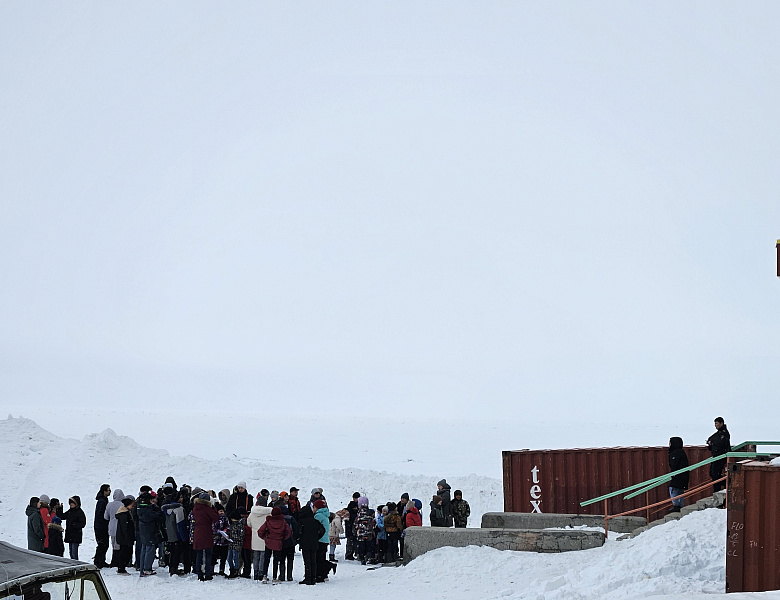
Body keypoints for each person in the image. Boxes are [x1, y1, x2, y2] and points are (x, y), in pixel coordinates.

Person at [258, 506, 292, 582]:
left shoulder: (268, 521)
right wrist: (283, 538)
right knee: (276, 561)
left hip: (269, 542)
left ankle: (264, 575)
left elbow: (260, 531)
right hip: (278, 542)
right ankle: (274, 577)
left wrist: (265, 537)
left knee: (266, 559)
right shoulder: (283, 521)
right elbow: (289, 531)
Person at [192, 492, 219, 581]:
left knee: (198, 555)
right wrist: (214, 508)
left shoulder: (195, 508)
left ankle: (199, 574)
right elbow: (215, 518)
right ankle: (207, 573)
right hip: (206, 532)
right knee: (208, 554)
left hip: (197, 532)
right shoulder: (207, 508)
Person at [137, 492, 164, 576]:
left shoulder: (140, 508)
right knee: (150, 550)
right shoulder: (148, 510)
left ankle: (142, 568)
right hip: (150, 532)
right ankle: (147, 569)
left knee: (144, 549)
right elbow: (158, 515)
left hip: (143, 532)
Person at [297, 505, 325, 585]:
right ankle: (313, 578)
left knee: (307, 561)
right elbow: (322, 530)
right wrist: (317, 537)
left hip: (305, 543)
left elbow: (297, 532)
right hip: (314, 543)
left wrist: (299, 539)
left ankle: (308, 578)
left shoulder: (301, 521)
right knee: (313, 561)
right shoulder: (315, 521)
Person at [162, 491, 188, 576]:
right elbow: (180, 524)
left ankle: (171, 568)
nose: (182, 498)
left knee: (172, 552)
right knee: (177, 552)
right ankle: (174, 569)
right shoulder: (179, 509)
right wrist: (184, 537)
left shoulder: (167, 509)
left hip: (170, 534)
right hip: (177, 534)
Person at [247, 501, 272, 581]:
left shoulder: (252, 513)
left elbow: (249, 523)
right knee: (263, 556)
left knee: (255, 556)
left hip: (255, 536)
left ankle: (255, 572)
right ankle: (261, 573)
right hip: (264, 536)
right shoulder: (268, 513)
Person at [313, 500, 336, 582]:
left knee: (318, 559)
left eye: (314, 507)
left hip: (320, 539)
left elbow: (315, 527)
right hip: (325, 539)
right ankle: (324, 573)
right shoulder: (325, 514)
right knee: (321, 557)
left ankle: (321, 573)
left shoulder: (318, 515)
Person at [707, 417, 731, 492]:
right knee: (713, 474)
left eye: (717, 423)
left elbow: (721, 443)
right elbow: (711, 439)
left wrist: (712, 443)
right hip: (716, 456)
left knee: (715, 474)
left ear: (721, 423)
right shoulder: (718, 433)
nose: (715, 425)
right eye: (715, 424)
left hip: (720, 456)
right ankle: (722, 486)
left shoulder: (724, 433)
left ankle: (727, 484)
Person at [667, 437, 690, 512]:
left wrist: (672, 474)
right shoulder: (681, 452)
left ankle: (677, 506)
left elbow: (674, 465)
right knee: (679, 491)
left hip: (678, 476)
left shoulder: (676, 453)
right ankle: (680, 506)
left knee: (673, 489)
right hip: (683, 476)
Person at [115, 497, 135, 575]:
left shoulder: (125, 513)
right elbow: (125, 528)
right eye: (131, 505)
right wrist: (128, 539)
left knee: (125, 553)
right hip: (124, 538)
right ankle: (121, 569)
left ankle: (121, 568)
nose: (132, 507)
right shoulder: (124, 514)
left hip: (124, 537)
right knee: (125, 553)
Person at [105, 488, 125, 567]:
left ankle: (114, 561)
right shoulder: (122, 505)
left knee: (114, 546)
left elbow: (106, 517)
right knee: (120, 546)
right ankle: (118, 562)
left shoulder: (109, 504)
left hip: (111, 527)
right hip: (119, 527)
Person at [62, 496, 86, 560]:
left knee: (74, 553)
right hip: (70, 534)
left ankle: (75, 565)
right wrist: (60, 509)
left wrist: (74, 524)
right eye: (70, 504)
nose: (71, 505)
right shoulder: (70, 511)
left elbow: (83, 524)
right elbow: (62, 516)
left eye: (72, 503)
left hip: (76, 535)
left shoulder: (80, 512)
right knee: (71, 552)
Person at [92, 484, 111, 567]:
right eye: (108, 490)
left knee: (103, 544)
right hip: (101, 526)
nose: (110, 491)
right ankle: (99, 561)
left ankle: (101, 560)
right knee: (103, 544)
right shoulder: (102, 501)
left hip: (100, 525)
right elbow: (100, 514)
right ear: (104, 491)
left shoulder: (103, 500)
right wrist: (105, 522)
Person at [211, 504, 230, 576]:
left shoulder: (225, 518)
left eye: (222, 511)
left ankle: (222, 570)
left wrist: (225, 531)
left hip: (224, 541)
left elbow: (228, 526)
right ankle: (211, 569)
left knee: (223, 557)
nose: (222, 512)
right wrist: (218, 532)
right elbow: (212, 528)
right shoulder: (214, 518)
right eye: (220, 511)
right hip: (216, 541)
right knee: (214, 556)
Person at [227, 510, 246, 578]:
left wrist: (232, 537)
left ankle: (236, 570)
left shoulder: (240, 525)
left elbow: (241, 535)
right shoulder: (232, 525)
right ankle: (232, 569)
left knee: (236, 558)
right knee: (229, 558)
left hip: (237, 544)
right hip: (231, 544)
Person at [344, 492, 360, 560]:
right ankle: (349, 554)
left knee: (353, 541)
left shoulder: (357, 506)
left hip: (352, 526)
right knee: (351, 541)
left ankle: (353, 553)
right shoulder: (352, 506)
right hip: (351, 526)